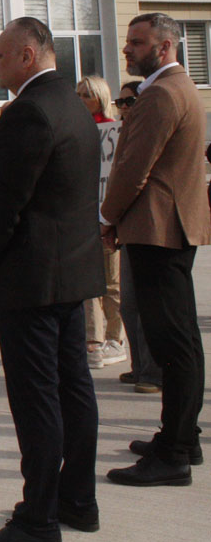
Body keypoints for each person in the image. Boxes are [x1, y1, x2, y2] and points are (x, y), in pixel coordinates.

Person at [0, 17, 103, 542]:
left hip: (32, 277)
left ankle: (38, 519)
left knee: (37, 398)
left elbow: (2, 204)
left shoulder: (29, 112)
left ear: (26, 54)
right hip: (69, 272)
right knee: (74, 390)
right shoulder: (71, 104)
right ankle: (77, 499)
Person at [102, 12, 211, 487]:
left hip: (157, 228)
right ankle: (182, 436)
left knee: (172, 341)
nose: (128, 50)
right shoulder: (179, 87)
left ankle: (174, 452)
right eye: (128, 42)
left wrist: (106, 216)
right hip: (170, 226)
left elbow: (132, 167)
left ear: (165, 47)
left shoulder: (162, 94)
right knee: (180, 337)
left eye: (137, 43)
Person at [112, 80, 161, 394]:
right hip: (127, 227)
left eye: (130, 102)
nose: (125, 108)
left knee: (148, 305)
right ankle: (139, 366)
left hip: (151, 228)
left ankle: (154, 373)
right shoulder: (121, 134)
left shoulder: (148, 133)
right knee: (129, 304)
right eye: (121, 103)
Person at [76, 75, 126, 370]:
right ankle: (93, 340)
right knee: (87, 282)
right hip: (81, 216)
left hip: (105, 216)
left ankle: (115, 338)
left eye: (86, 95)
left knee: (111, 283)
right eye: (78, 94)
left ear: (100, 97)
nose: (80, 99)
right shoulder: (76, 130)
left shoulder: (112, 130)